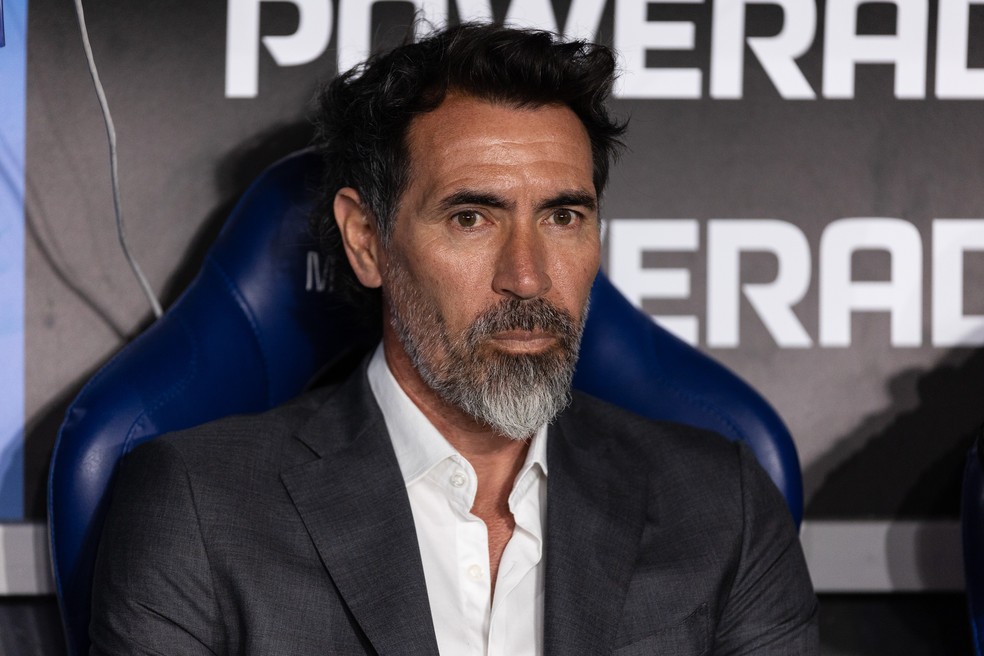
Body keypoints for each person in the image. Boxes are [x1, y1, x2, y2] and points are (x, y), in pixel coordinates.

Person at [90, 23, 818, 655]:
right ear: (368, 240)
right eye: (473, 217)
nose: (528, 278)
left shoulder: (721, 504)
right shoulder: (199, 505)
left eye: (563, 217)